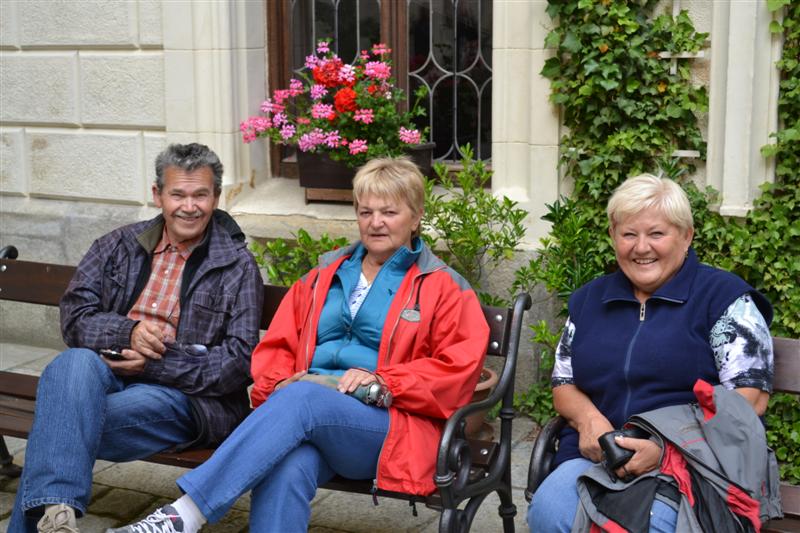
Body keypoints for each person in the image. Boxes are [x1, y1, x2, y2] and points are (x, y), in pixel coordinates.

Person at [108, 157, 490, 533]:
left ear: (416, 216)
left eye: (389, 212)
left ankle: (184, 515)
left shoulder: (442, 287)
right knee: (287, 467)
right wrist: (279, 384)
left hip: (387, 426)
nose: (376, 222)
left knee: (304, 397)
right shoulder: (322, 277)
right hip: (310, 416)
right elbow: (277, 347)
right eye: (366, 212)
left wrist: (384, 381)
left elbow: (457, 368)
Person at [10, 143, 264, 533]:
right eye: (178, 194)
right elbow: (74, 316)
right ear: (157, 194)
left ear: (216, 197)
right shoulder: (117, 245)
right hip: (106, 373)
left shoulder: (236, 265)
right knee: (73, 363)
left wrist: (154, 362)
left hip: (184, 397)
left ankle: (50, 512)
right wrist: (126, 332)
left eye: (200, 195)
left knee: (59, 421)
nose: (189, 206)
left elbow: (239, 361)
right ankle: (58, 513)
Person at [527, 174, 774, 532]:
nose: (641, 247)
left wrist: (666, 451)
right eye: (629, 234)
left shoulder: (724, 299)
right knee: (549, 510)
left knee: (649, 525)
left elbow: (749, 401)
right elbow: (564, 383)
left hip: (692, 469)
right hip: (597, 459)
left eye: (657, 234)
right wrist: (588, 419)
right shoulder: (589, 300)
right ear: (613, 236)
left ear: (686, 236)